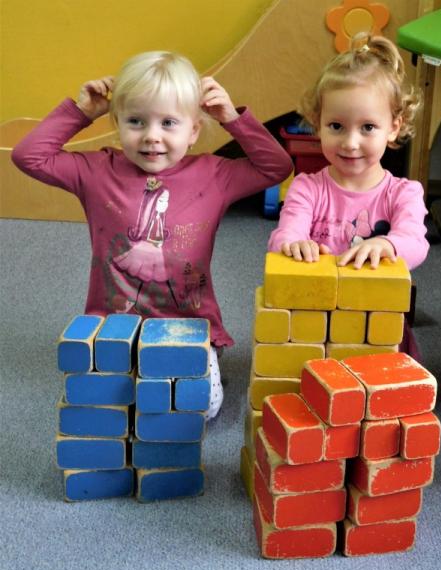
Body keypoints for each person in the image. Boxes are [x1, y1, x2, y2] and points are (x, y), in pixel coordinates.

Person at [12, 51, 293, 419]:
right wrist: (81, 113)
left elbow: (277, 167)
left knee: (201, 409)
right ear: (117, 123)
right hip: (115, 324)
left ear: (193, 131)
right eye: (136, 121)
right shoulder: (97, 170)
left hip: (189, 324)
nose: (151, 136)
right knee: (112, 408)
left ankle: (201, 358)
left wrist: (231, 118)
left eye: (169, 123)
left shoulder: (215, 174)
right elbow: (28, 156)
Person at [268, 34, 429, 271]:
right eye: (336, 126)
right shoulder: (306, 189)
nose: (351, 143)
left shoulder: (404, 194)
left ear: (393, 128)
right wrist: (293, 243)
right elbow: (284, 235)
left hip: (374, 295)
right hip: (316, 293)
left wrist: (387, 244)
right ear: (318, 124)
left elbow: (415, 244)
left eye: (368, 127)